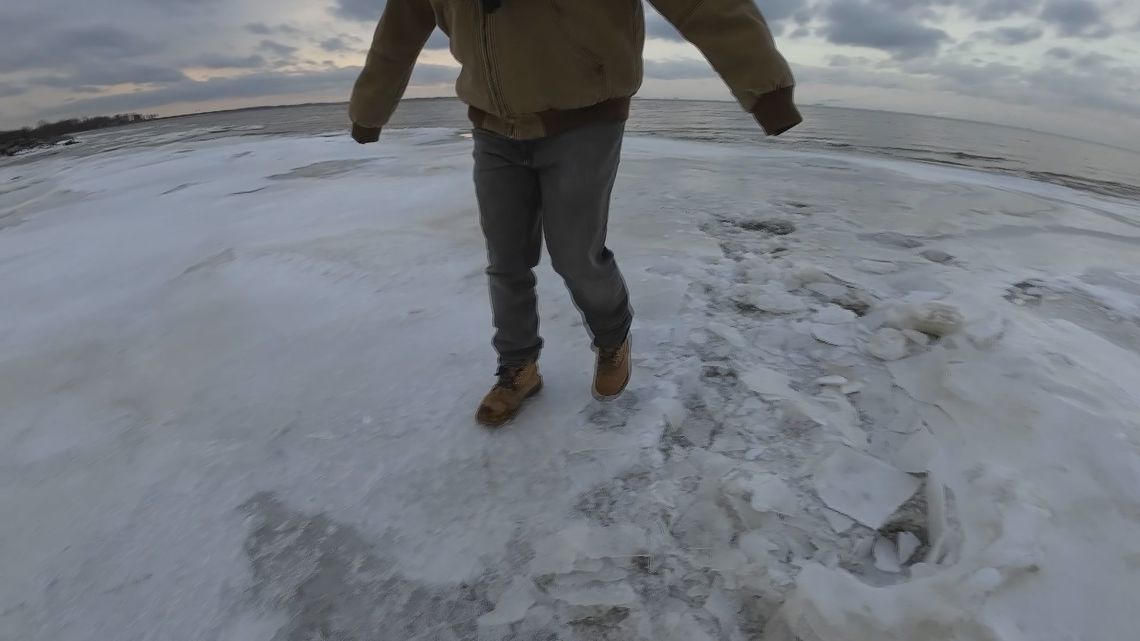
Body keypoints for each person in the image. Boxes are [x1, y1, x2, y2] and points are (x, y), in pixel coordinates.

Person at [350, 0, 801, 426]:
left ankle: (612, 338)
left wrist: (765, 89)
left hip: (586, 117)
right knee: (506, 260)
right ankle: (518, 367)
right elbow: (399, 28)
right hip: (492, 127)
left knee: (574, 254)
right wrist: (370, 108)